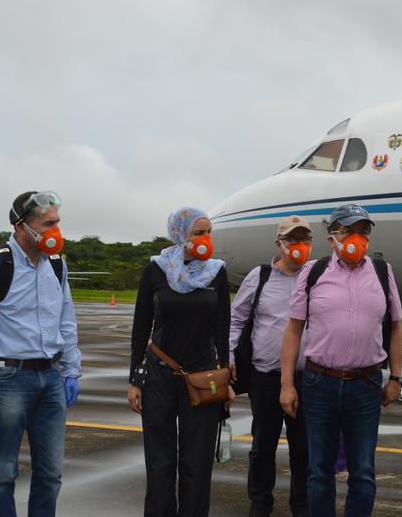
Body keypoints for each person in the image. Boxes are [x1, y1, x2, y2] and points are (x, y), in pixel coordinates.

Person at [0, 191, 82, 517]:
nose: (55, 231)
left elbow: (66, 322)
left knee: (51, 473)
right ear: (21, 226)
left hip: (50, 378)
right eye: (47, 224)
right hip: (8, 378)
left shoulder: (56, 265)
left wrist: (71, 370)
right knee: (3, 473)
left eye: (57, 223)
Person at [280, 204, 402, 517]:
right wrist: (286, 385)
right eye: (350, 230)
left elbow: (396, 328)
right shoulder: (314, 271)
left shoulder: (381, 270)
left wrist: (395, 377)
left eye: (364, 231)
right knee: (319, 470)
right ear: (332, 236)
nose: (358, 237)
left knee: (362, 471)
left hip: (365, 385)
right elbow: (293, 331)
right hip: (319, 382)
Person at [127, 206, 233, 517]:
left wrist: (225, 372)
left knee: (197, 464)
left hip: (203, 378)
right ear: (180, 235)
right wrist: (135, 378)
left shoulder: (217, 271)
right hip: (159, 375)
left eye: (209, 232)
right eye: (199, 232)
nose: (206, 238)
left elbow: (222, 326)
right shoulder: (156, 270)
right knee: (159, 463)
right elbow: (140, 326)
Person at [229, 215, 312, 517]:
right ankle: (260, 504)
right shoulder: (260, 277)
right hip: (265, 377)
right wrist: (227, 355)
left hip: (306, 378)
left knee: (303, 447)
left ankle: (301, 505)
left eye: (305, 240)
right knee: (263, 445)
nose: (300, 246)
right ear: (279, 243)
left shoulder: (316, 276)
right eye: (293, 240)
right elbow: (236, 319)